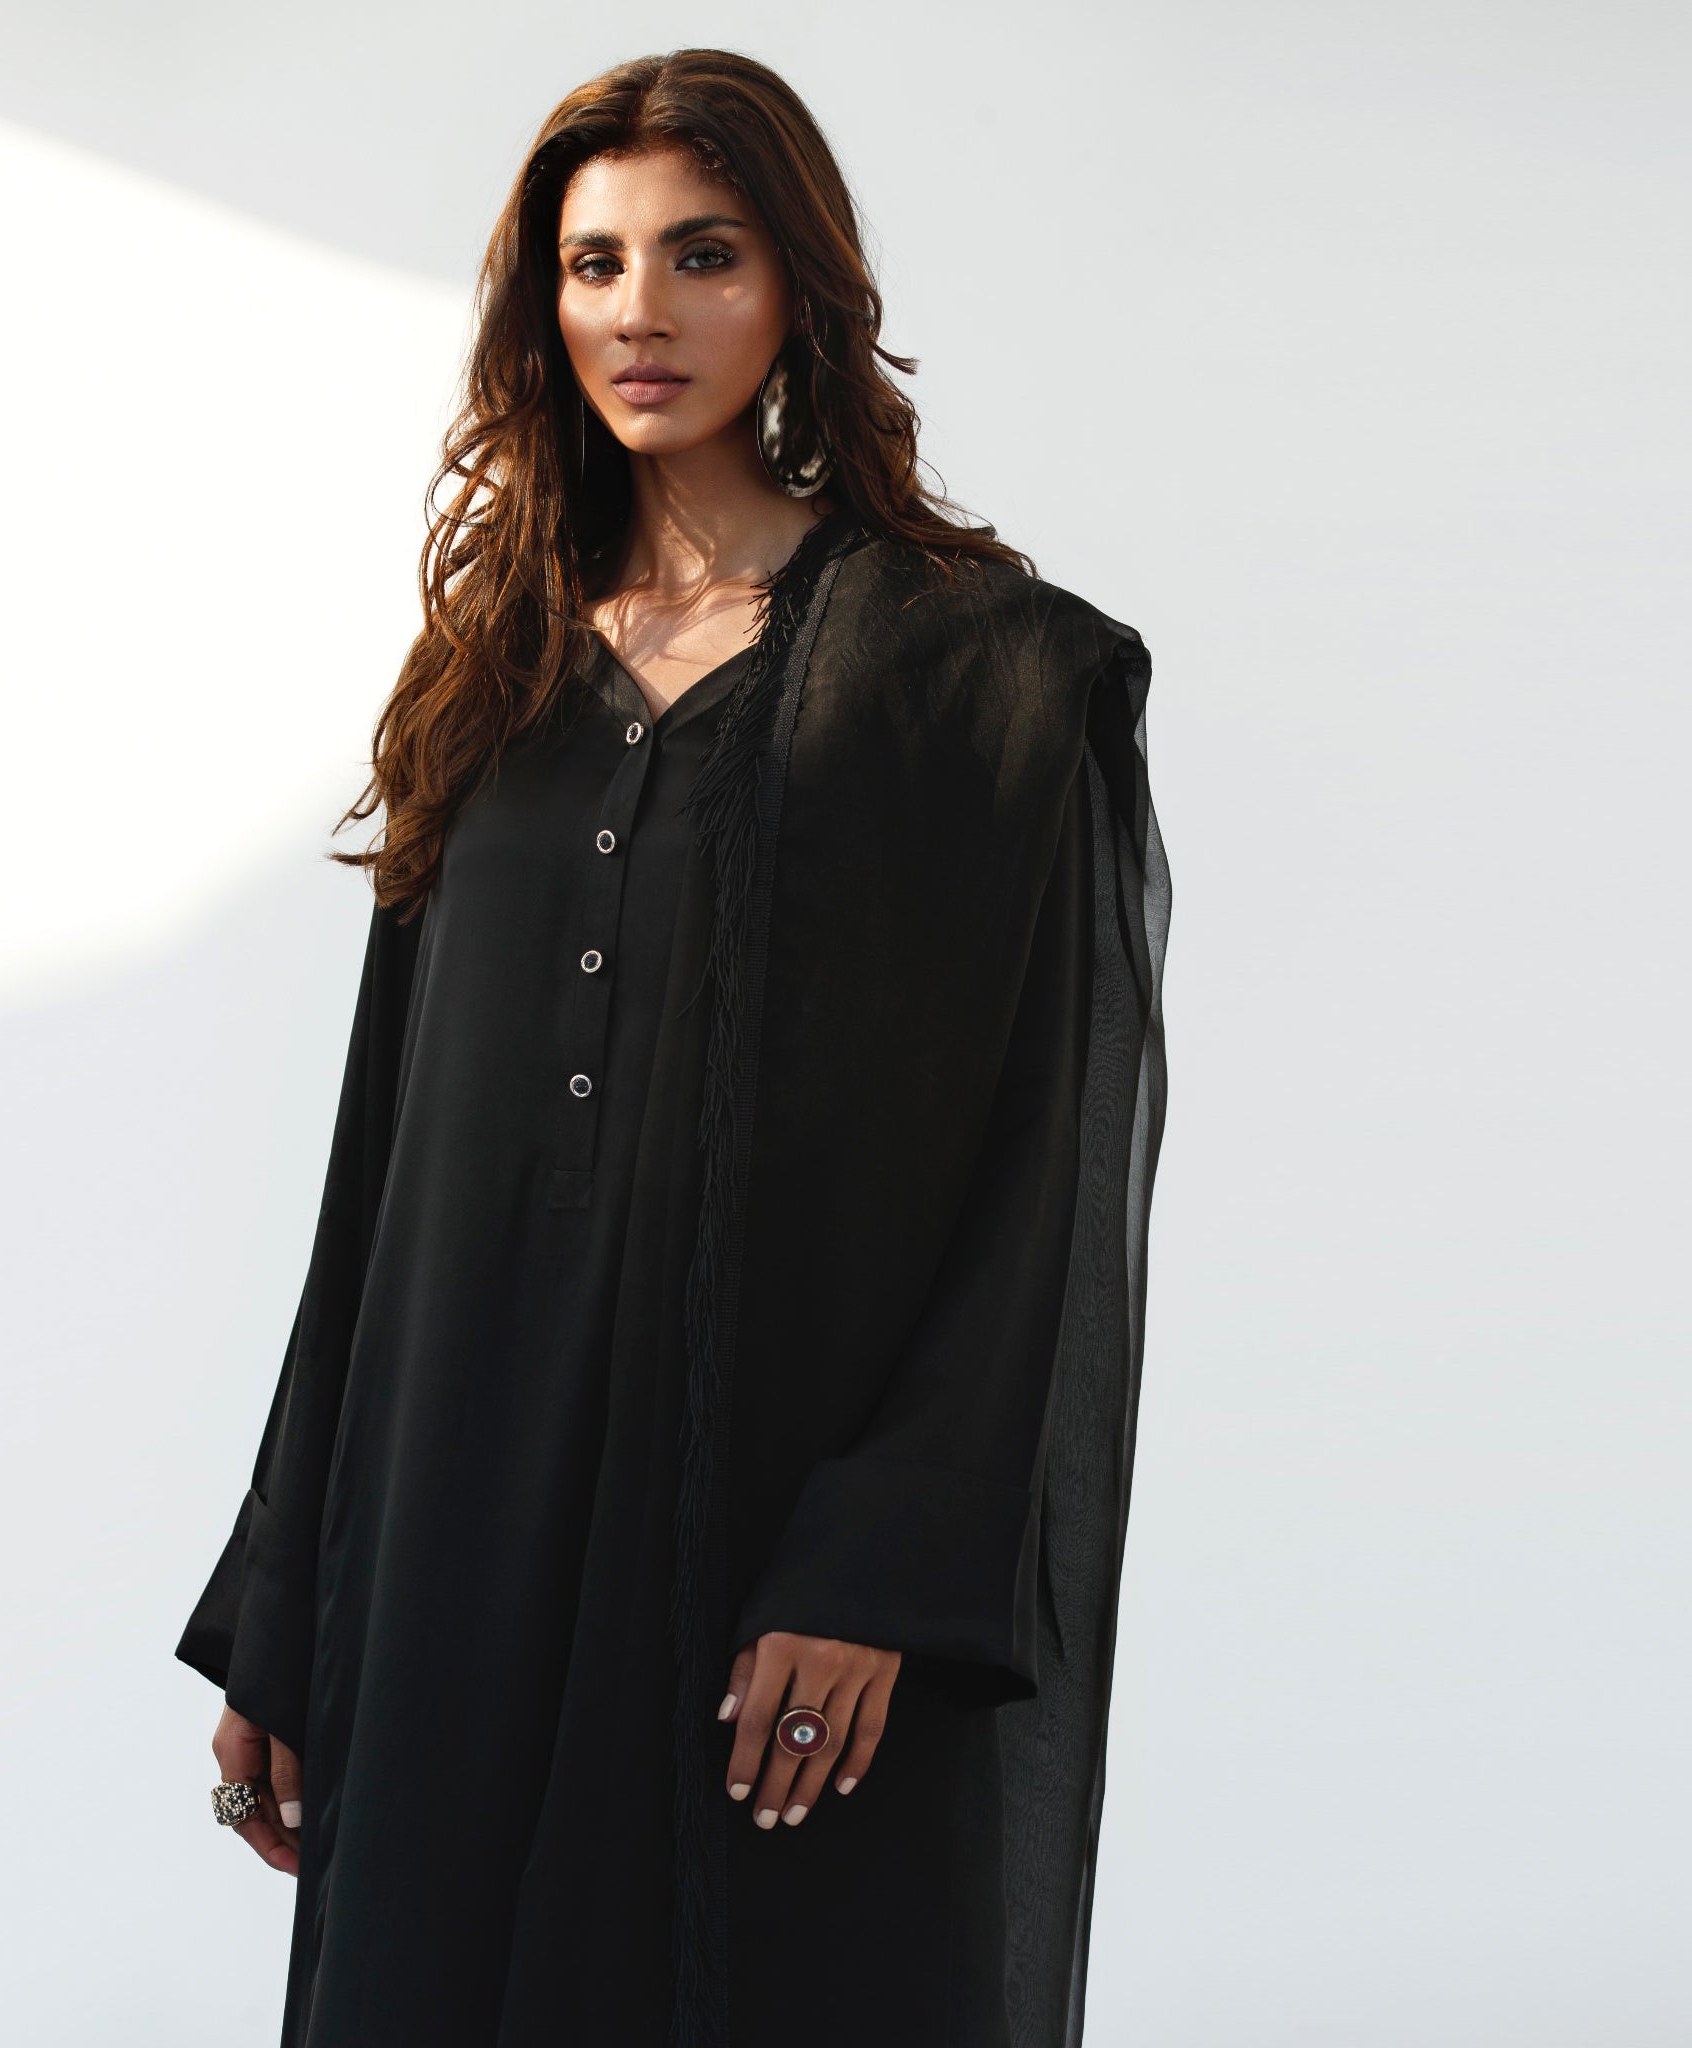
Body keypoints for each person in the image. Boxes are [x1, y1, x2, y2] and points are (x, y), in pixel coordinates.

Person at [176, 46, 1169, 2048]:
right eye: (595, 263)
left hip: (759, 1514)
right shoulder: (490, 668)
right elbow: (378, 1166)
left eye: (703, 255)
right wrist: (289, 1598)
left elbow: (1037, 1171)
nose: (642, 311)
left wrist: (884, 1563)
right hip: (448, 1514)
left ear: (801, 285)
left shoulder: (981, 674)